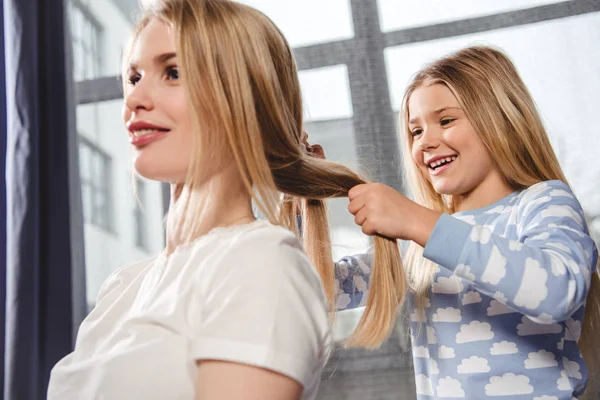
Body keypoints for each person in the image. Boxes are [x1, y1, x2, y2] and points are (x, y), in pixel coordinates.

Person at [47, 1, 405, 399]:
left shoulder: (261, 263)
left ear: (245, 102)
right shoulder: (123, 285)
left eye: (174, 72)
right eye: (134, 76)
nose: (134, 99)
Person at [314, 45, 600, 399]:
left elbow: (555, 291)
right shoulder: (419, 247)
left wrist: (415, 219)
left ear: (499, 119)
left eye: (446, 120)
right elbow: (322, 290)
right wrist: (303, 203)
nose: (426, 142)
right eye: (415, 131)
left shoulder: (543, 202)